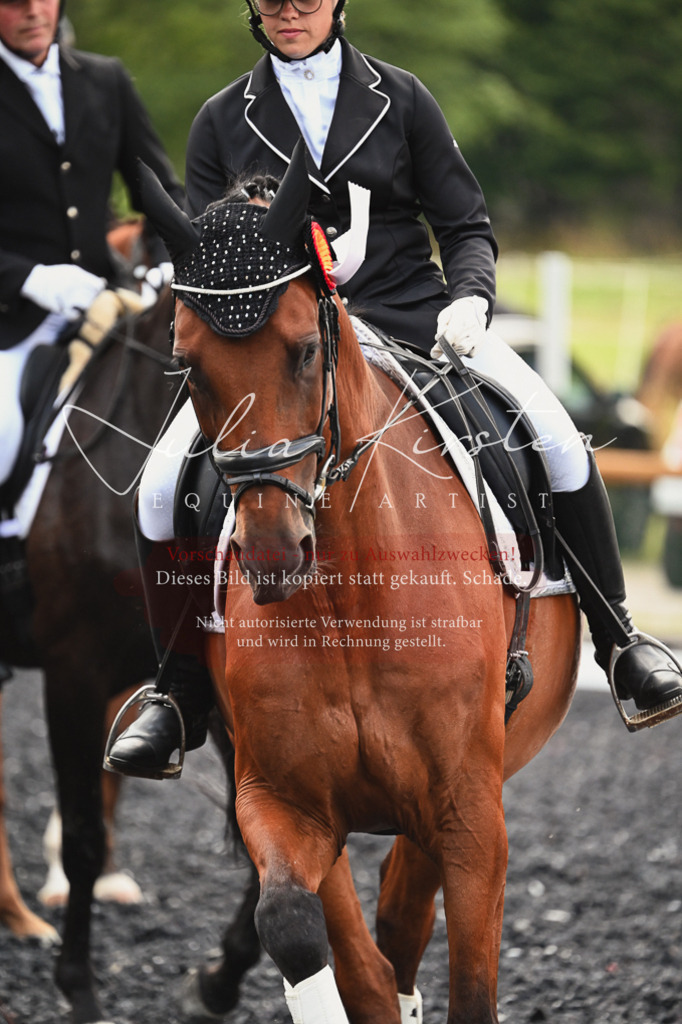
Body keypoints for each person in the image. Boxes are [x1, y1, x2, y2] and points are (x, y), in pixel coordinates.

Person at [107, 0, 682, 779]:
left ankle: (620, 641)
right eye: (272, 0)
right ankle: (176, 693)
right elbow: (211, 254)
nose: (290, 12)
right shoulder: (221, 119)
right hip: (286, 348)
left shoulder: (401, 97)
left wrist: (470, 298)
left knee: (551, 429)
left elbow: (467, 223)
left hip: (413, 316)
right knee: (161, 479)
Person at [0, 0, 184, 493]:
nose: (34, 12)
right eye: (15, 2)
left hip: (112, 298)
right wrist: (32, 278)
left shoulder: (107, 79)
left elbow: (160, 190)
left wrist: (170, 261)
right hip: (13, 318)